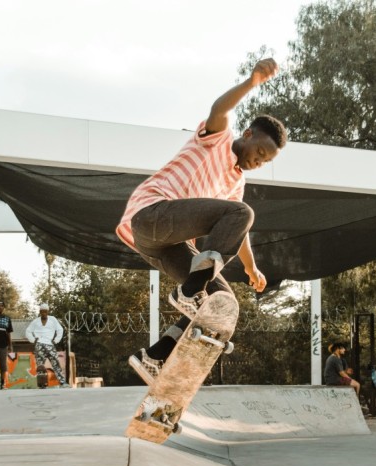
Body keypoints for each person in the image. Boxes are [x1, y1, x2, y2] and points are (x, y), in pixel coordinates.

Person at [115, 58, 287, 383]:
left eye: (266, 162)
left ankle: (155, 358)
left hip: (165, 246)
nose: (258, 162)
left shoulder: (237, 184)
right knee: (241, 213)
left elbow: (239, 227)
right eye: (260, 153)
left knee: (221, 306)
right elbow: (219, 108)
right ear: (248, 135)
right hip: (152, 214)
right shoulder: (218, 138)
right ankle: (190, 290)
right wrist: (252, 82)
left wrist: (251, 268)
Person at [25, 303, 70, 388]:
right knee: (40, 365)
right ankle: (42, 384)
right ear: (40, 312)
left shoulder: (53, 319)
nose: (44, 313)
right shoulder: (36, 321)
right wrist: (33, 340)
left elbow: (60, 329)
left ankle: (62, 382)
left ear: (48, 312)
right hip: (39, 345)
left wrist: (56, 340)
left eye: (45, 312)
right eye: (42, 312)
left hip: (50, 344)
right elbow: (28, 331)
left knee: (55, 363)